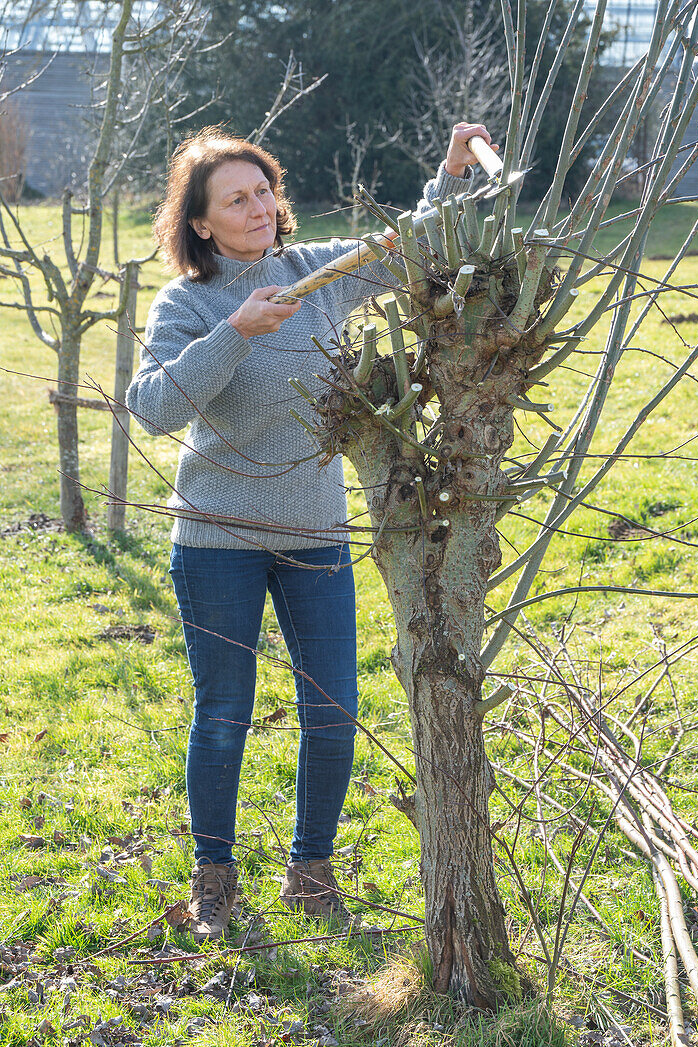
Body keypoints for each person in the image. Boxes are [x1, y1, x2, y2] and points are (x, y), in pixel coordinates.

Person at [126, 121, 500, 943]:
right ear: (200, 223)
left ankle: (311, 872)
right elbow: (151, 408)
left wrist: (450, 174)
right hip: (217, 538)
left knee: (333, 711)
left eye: (264, 190)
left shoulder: (316, 274)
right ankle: (215, 877)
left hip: (316, 534)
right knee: (223, 713)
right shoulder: (186, 303)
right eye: (236, 198)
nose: (258, 207)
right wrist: (234, 335)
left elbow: (409, 246)